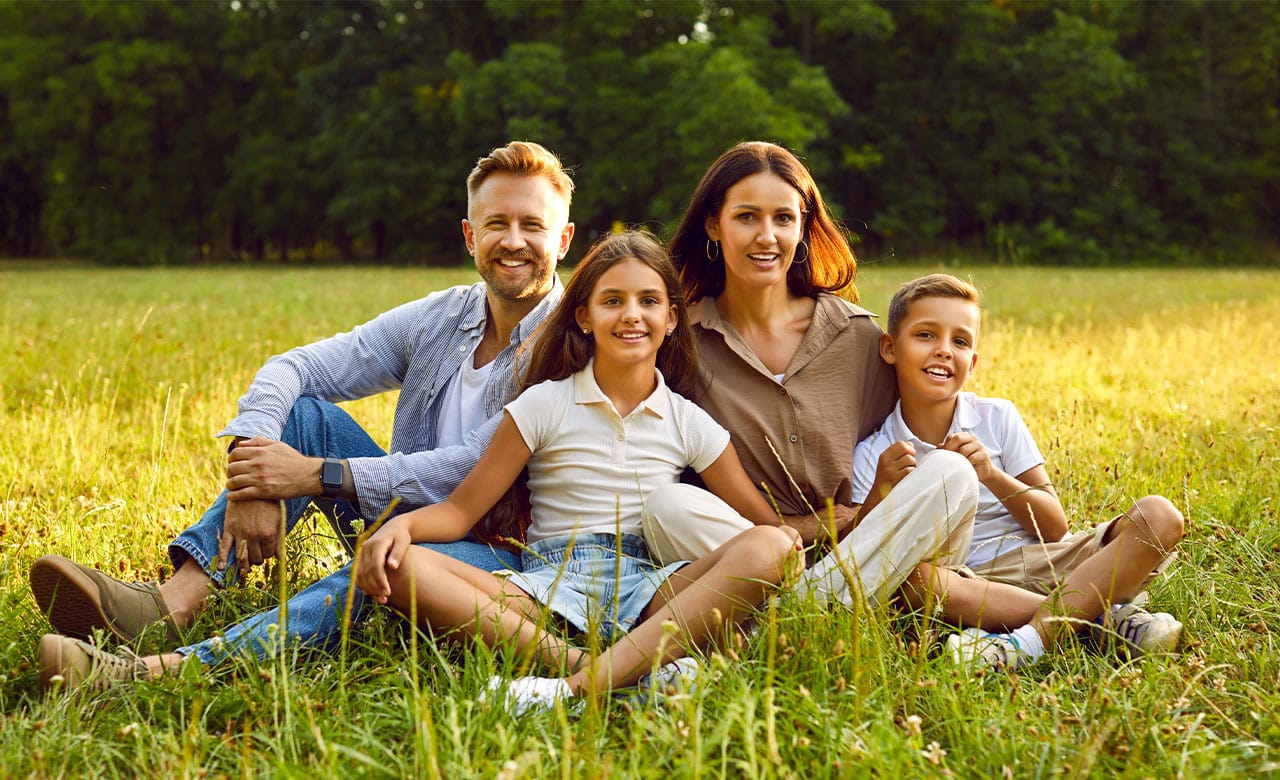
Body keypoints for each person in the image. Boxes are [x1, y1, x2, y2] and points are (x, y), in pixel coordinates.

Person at [43, 231, 804, 706]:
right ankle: (171, 604)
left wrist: (857, 517)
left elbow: (761, 530)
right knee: (402, 556)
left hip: (641, 583)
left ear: (673, 317)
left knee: (771, 551)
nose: (631, 315)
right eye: (613, 301)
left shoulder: (690, 422)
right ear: (585, 315)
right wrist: (373, 516)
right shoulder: (538, 399)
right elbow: (458, 505)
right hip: (544, 580)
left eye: (648, 302)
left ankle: (580, 682)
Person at [33, 140, 575, 662]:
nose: (513, 240)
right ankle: (172, 604)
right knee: (302, 415)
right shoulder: (442, 317)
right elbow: (297, 367)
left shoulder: (570, 342)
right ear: (469, 235)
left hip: (499, 553)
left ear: (564, 239)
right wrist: (256, 464)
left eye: (533, 225)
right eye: (496, 224)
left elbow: (471, 472)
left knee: (393, 555)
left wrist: (316, 474)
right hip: (405, 513)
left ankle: (177, 665)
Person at [640, 141, 978, 610]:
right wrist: (813, 527)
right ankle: (818, 610)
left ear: (802, 229)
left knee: (952, 474)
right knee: (666, 508)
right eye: (746, 217)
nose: (767, 236)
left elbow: (925, 425)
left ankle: (795, 612)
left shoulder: (856, 335)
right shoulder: (680, 340)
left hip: (865, 546)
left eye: (783, 218)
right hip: (748, 548)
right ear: (714, 225)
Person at [857, 273, 1184, 672]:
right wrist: (881, 490)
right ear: (890, 348)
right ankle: (1102, 620)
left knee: (1160, 516)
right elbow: (868, 557)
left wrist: (992, 475)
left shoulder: (997, 417)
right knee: (915, 583)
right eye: (926, 335)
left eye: (960, 341)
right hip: (967, 580)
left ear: (972, 363)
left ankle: (1026, 639)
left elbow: (1054, 526)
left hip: (1045, 559)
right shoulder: (875, 452)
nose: (944, 351)